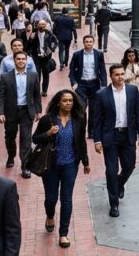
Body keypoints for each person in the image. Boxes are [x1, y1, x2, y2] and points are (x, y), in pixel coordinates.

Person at [32, 90, 91, 248]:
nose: (68, 103)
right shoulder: (48, 120)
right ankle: (50, 215)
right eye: (65, 101)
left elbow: (81, 141)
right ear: (58, 102)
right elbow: (35, 138)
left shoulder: (79, 119)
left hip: (71, 164)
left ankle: (63, 233)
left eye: (71, 101)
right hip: (51, 165)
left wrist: (85, 162)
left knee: (67, 198)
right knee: (51, 198)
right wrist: (48, 133)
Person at [89, 63, 139, 217]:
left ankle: (119, 184)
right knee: (111, 171)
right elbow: (96, 120)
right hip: (110, 137)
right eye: (117, 75)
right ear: (111, 76)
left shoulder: (133, 91)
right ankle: (114, 204)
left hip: (128, 135)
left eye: (122, 74)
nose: (120, 77)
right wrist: (97, 140)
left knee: (129, 166)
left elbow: (138, 113)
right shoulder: (101, 94)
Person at [0, 52, 42, 179]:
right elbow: (0, 95)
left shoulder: (33, 76)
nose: (21, 61)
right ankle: (11, 155)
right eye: (19, 59)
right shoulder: (6, 77)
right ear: (14, 61)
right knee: (10, 136)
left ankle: (25, 165)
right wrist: (0, 113)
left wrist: (38, 110)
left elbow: (36, 95)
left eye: (23, 59)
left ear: (26, 61)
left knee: (26, 138)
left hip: (26, 111)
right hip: (10, 111)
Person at [70, 34, 108, 118]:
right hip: (81, 85)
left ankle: (92, 131)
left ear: (93, 43)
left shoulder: (99, 54)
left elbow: (102, 70)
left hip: (94, 84)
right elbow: (71, 70)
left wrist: (104, 85)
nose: (89, 43)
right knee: (81, 108)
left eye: (90, 42)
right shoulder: (77, 55)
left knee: (94, 110)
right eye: (86, 42)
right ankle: (82, 130)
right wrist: (74, 83)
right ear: (83, 43)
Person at [27, 19, 58, 97]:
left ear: (46, 25)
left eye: (44, 24)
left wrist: (52, 49)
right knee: (37, 74)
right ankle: (37, 91)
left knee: (46, 73)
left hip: (46, 57)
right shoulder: (34, 34)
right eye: (40, 24)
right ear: (37, 25)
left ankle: (44, 91)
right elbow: (28, 46)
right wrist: (31, 38)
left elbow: (55, 41)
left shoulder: (49, 33)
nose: (42, 26)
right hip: (36, 57)